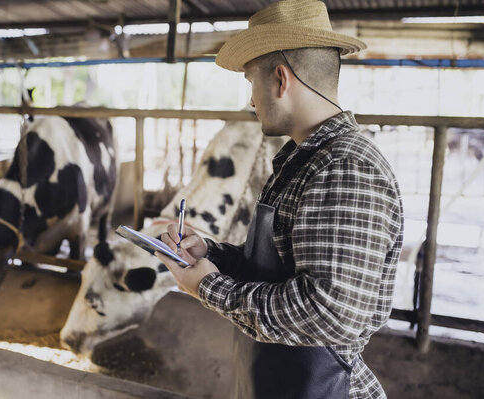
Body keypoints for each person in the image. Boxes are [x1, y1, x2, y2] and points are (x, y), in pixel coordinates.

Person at [156, 1, 404, 398]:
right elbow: (282, 267)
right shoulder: (302, 159)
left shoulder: (344, 167)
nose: (253, 101)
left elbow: (329, 313)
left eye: (252, 82)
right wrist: (213, 253)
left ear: (280, 79)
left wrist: (209, 288)